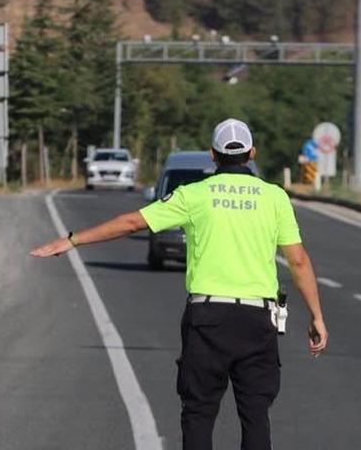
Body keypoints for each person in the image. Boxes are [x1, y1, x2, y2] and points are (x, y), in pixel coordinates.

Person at [30, 118, 328, 450]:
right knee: (256, 414)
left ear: (212, 155)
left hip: (207, 319)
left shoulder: (193, 195)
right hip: (258, 321)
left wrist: (72, 240)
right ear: (252, 154)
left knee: (199, 412)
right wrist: (315, 316)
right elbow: (298, 260)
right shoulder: (274, 198)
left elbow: (132, 223)